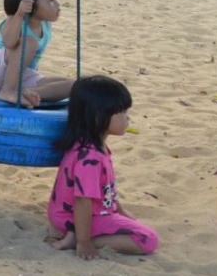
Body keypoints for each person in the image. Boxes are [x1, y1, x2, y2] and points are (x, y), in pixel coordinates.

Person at [47, 75, 158, 259]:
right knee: (148, 239)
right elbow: (83, 201)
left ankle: (80, 234)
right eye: (121, 112)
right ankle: (79, 238)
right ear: (99, 117)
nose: (127, 118)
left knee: (132, 225)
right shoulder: (90, 157)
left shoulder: (89, 144)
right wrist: (84, 243)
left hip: (68, 214)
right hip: (78, 218)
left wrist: (119, 210)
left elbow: (104, 188)